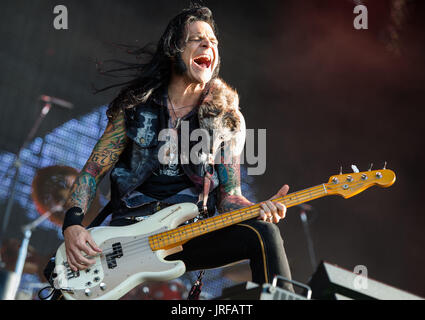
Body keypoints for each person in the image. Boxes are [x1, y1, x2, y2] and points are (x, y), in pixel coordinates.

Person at [61, 5, 294, 295]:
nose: (209, 44)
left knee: (264, 234)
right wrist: (72, 225)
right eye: (197, 39)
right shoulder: (135, 108)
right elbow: (92, 172)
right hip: (129, 236)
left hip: (186, 235)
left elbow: (229, 197)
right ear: (174, 49)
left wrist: (257, 210)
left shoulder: (225, 118)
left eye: (213, 41)